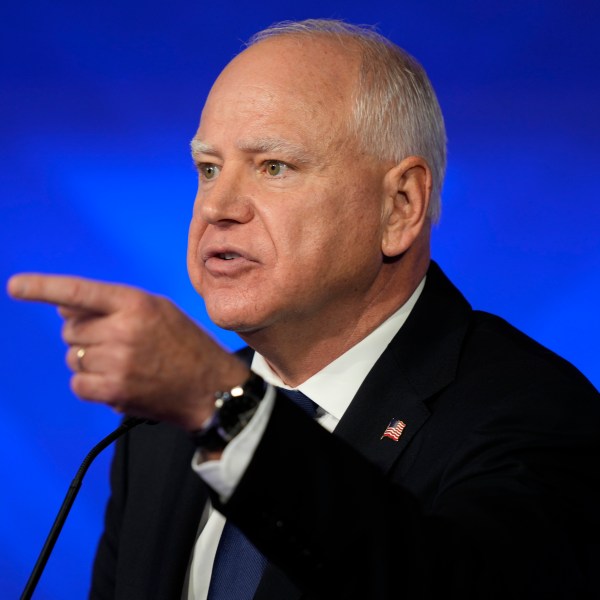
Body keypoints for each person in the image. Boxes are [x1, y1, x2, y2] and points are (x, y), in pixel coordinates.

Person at [7, 19, 599, 600]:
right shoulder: (160, 433)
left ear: (399, 206)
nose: (218, 206)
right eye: (208, 169)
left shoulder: (535, 414)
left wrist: (226, 410)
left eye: (273, 167)